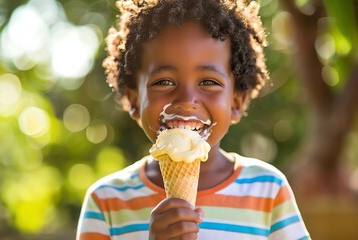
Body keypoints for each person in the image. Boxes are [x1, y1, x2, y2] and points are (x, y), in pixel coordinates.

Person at [77, 0, 310, 239]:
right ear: (135, 101)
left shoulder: (268, 190)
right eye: (163, 82)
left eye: (208, 82)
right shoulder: (106, 200)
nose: (187, 99)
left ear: (236, 102)